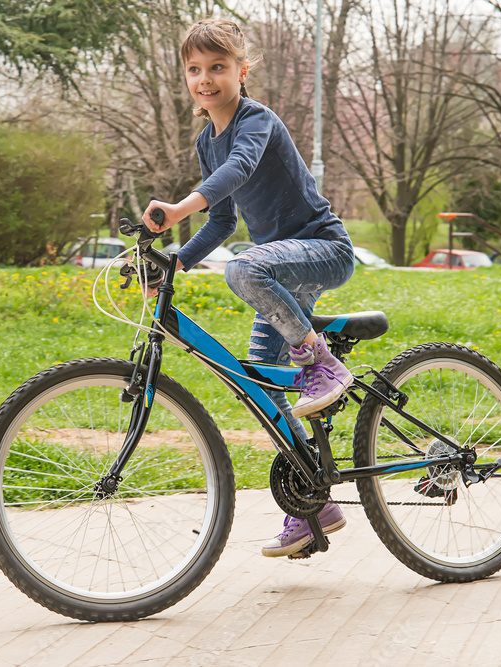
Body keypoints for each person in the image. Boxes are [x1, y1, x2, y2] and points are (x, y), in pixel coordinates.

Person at [140, 17, 354, 559]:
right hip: (278, 266)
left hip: (321, 250)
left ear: (242, 71)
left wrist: (178, 207)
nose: (205, 78)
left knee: (242, 268)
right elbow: (223, 221)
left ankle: (323, 362)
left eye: (218, 67)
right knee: (259, 382)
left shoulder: (256, 120)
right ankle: (311, 506)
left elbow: (238, 170)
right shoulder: (204, 141)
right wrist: (177, 260)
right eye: (195, 69)